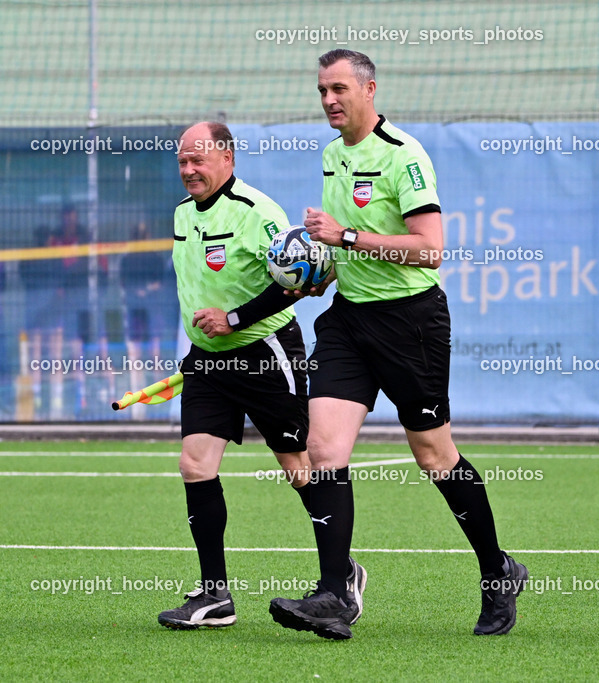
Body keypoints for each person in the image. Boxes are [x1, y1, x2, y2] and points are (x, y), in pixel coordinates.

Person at [268, 49, 527, 641]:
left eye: (339, 89)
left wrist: (347, 236)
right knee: (322, 449)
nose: (329, 100)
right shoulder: (334, 155)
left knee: (435, 456)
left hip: (411, 324)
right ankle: (336, 591)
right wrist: (316, 270)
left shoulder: (403, 155)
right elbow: (340, 250)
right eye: (321, 91)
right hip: (348, 322)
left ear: (369, 89)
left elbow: (430, 247)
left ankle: (497, 572)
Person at [157, 122, 314, 629]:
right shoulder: (182, 214)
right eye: (182, 161)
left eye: (198, 160)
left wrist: (234, 321)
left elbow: (299, 281)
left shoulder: (258, 211)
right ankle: (214, 596)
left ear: (226, 158)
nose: (188, 171)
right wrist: (198, 350)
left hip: (264, 352)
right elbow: (198, 289)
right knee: (194, 462)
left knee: (298, 467)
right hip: (209, 362)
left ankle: (338, 574)